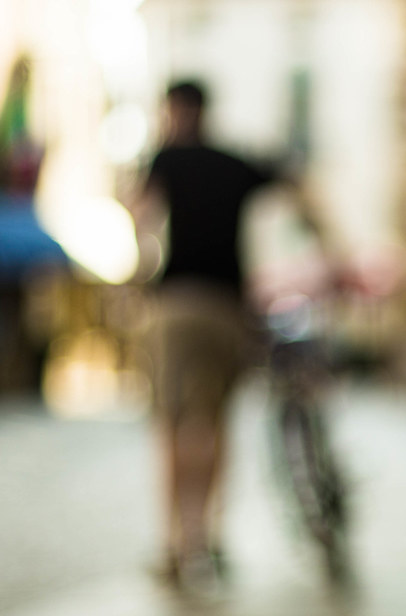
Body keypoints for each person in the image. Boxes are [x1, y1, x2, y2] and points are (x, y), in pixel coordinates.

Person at [134, 80, 274, 591]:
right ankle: (209, 538)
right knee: (214, 423)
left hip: (176, 304)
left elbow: (143, 220)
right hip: (228, 305)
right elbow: (297, 187)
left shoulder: (164, 159)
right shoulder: (235, 163)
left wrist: (141, 271)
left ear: (174, 111)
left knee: (172, 425)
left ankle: (175, 544)